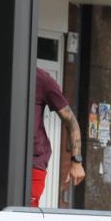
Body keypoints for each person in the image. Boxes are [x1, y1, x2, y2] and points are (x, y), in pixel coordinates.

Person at [31, 68, 84, 207]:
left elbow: (71, 121)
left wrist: (76, 162)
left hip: (33, 164)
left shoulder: (41, 79)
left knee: (23, 217)